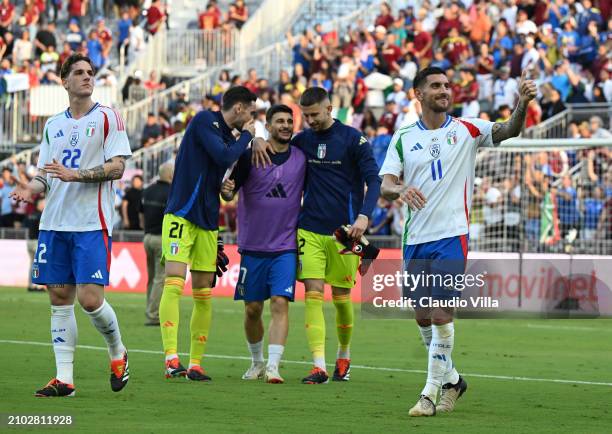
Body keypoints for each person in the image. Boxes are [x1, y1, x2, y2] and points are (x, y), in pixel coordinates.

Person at [379, 66, 536, 416]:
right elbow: (386, 184)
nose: (444, 90)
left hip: (451, 236)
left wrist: (522, 103)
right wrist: (401, 189)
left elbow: (509, 129)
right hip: (415, 238)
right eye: (436, 85)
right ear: (418, 94)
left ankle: (428, 393)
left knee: (440, 312)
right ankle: (453, 379)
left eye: (447, 85)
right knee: (422, 316)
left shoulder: (468, 128)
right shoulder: (404, 136)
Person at [9, 53, 133, 397]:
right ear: (64, 81)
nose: (86, 77)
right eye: (78, 72)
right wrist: (27, 190)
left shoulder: (108, 117)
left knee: (91, 300)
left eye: (90, 72)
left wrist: (76, 175)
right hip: (55, 224)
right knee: (59, 298)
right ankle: (65, 379)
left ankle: (117, 350)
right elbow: (44, 178)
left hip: (91, 224)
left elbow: (118, 167)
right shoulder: (53, 125)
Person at [253, 87, 381, 384]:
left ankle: (344, 354)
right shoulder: (302, 141)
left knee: (340, 298)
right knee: (312, 293)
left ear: (329, 109)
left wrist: (364, 215)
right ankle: (319, 366)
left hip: (345, 233)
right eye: (305, 115)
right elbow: (275, 150)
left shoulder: (353, 139)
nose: (310, 120)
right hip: (308, 229)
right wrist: (257, 139)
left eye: (314, 114)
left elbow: (373, 179)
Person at [159, 86, 256, 381]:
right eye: (251, 112)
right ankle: (171, 359)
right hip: (180, 215)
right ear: (238, 108)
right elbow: (223, 156)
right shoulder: (205, 121)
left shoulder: (231, 138)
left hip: (207, 222)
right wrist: (250, 136)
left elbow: (227, 172)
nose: (252, 119)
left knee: (204, 293)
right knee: (174, 284)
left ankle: (196, 363)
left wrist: (227, 189)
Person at [221, 104, 305, 383]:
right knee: (252, 308)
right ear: (268, 126)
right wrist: (227, 189)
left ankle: (273, 366)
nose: (285, 125)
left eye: (288, 121)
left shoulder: (302, 159)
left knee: (281, 302)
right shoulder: (249, 157)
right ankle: (256, 362)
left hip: (285, 247)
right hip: (253, 247)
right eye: (279, 121)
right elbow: (228, 193)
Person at [142, 162, 174, 326]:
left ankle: (150, 308)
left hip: (147, 237)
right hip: (161, 238)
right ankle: (154, 314)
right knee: (160, 279)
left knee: (151, 277)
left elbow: (141, 214)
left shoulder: (147, 191)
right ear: (169, 175)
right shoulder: (171, 192)